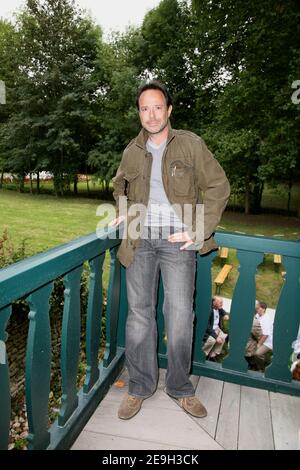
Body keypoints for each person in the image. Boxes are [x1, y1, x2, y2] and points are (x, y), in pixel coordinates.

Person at [110, 80, 230, 420]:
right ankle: (139, 386)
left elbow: (219, 186)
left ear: (169, 110)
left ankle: (179, 386)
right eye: (144, 108)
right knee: (139, 316)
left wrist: (199, 229)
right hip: (138, 238)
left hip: (178, 241)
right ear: (139, 113)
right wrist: (122, 206)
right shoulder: (132, 150)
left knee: (179, 315)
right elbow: (120, 184)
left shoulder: (190, 145)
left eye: (157, 107)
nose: (151, 115)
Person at [245, 301, 273, 371]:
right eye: (256, 308)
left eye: (258, 308)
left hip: (267, 342)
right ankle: (251, 363)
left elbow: (266, 334)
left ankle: (261, 368)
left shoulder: (265, 319)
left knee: (258, 353)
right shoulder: (258, 315)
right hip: (259, 337)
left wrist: (259, 344)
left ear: (263, 309)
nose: (256, 309)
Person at [202, 296, 229, 361]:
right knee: (212, 340)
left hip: (217, 328)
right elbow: (207, 326)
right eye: (220, 302)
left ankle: (213, 355)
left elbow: (222, 310)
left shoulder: (219, 309)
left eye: (222, 302)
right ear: (214, 302)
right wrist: (216, 337)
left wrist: (225, 314)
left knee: (223, 337)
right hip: (210, 330)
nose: (222, 304)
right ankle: (203, 354)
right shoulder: (209, 311)